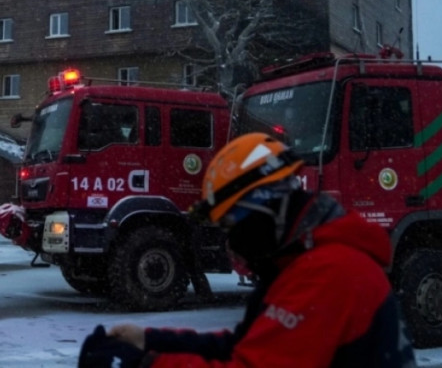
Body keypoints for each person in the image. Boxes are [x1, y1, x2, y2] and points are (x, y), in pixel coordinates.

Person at [78, 132, 417, 368]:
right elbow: (246, 345)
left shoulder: (329, 272)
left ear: (266, 207)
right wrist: (151, 341)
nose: (232, 240)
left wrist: (141, 364)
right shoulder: (301, 262)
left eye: (232, 222)